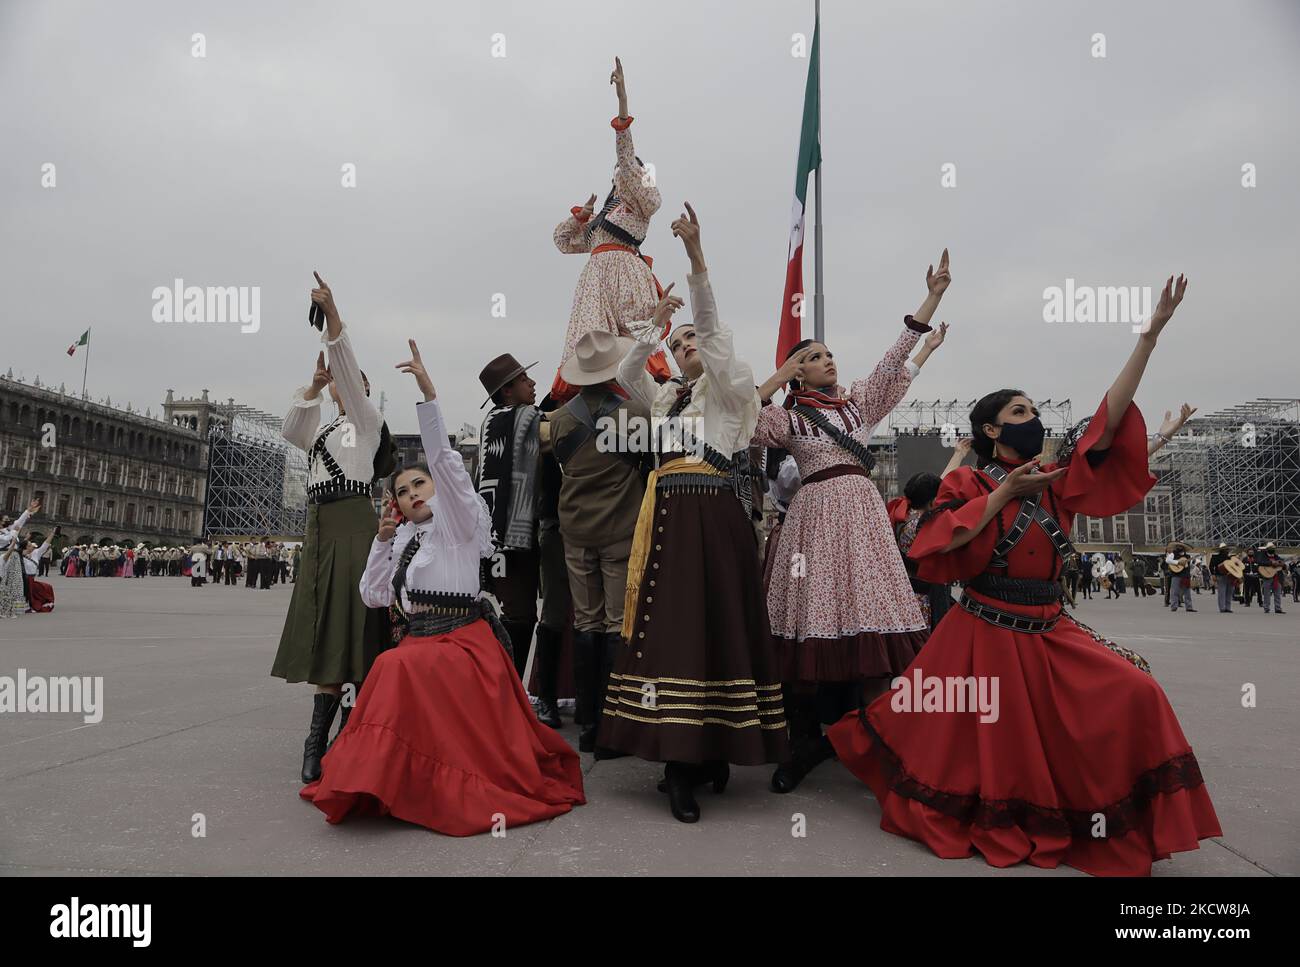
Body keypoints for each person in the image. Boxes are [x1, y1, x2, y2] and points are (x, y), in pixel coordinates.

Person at [827, 273, 1221, 876]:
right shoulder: (971, 481)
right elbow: (938, 538)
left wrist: (1148, 338)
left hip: (1050, 628)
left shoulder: (1057, 478)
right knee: (983, 745)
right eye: (1019, 411)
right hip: (985, 633)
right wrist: (1007, 488)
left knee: (1137, 691)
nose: (1032, 417)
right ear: (991, 430)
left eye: (1035, 410)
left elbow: (1105, 426)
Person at [301, 339, 585, 835]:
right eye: (404, 492)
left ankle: (402, 778)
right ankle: (374, 775)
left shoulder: (458, 525)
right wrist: (381, 543)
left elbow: (447, 464)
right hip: (420, 643)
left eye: (419, 485)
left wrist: (428, 394)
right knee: (393, 664)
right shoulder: (407, 540)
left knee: (393, 666)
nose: (412, 494)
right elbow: (373, 596)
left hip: (464, 644)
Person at [602, 202, 789, 823]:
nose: (686, 348)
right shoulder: (668, 401)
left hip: (713, 515)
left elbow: (712, 333)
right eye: (679, 345)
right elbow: (628, 375)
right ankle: (679, 761)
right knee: (671, 632)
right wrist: (654, 326)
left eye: (689, 343)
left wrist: (697, 261)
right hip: (666, 520)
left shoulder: (732, 394)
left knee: (714, 628)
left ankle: (706, 755)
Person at [750, 251, 950, 793]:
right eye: (815, 357)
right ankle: (804, 741)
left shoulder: (859, 407)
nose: (828, 360)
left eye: (829, 353)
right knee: (809, 621)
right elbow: (739, 418)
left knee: (870, 620)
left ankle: (877, 740)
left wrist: (930, 299)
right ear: (798, 371)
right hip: (813, 516)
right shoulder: (787, 415)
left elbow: (892, 365)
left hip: (861, 516)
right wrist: (780, 375)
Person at [272, 272, 396, 783]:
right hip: (320, 530)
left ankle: (350, 735)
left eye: (356, 385)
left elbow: (345, 363)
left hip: (352, 526)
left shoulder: (367, 426)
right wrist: (313, 387)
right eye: (346, 386)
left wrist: (334, 315)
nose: (348, 388)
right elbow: (291, 429)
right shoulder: (325, 426)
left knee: (355, 635)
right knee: (326, 631)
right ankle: (317, 738)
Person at [544, 329, 650, 752]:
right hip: (620, 526)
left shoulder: (561, 418)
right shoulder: (635, 412)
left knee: (585, 619)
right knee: (615, 622)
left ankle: (587, 723)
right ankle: (612, 721)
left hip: (574, 527)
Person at [550, 57, 672, 402]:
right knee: (592, 342)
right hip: (596, 276)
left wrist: (622, 105)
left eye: (630, 171)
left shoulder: (642, 204)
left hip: (624, 271)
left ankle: (643, 398)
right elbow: (562, 241)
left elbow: (625, 157)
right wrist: (579, 217)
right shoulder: (606, 216)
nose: (621, 174)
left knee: (632, 339)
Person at [1257, 542, 1287, 614]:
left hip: (1277, 577)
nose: (1272, 550)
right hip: (1267, 576)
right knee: (1266, 593)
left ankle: (1278, 608)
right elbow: (1260, 562)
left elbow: (1282, 564)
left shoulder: (1277, 556)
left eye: (1273, 549)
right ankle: (1266, 608)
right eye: (1270, 549)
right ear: (1267, 549)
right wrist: (1271, 563)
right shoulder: (1263, 556)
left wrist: (1283, 564)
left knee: (1278, 593)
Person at [1167, 543, 1196, 612]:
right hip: (1176, 575)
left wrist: (1191, 564)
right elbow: (1167, 560)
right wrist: (1178, 562)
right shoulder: (1173, 554)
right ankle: (1174, 606)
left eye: (1181, 546)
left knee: (1187, 592)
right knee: (1174, 591)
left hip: (1185, 576)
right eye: (1178, 546)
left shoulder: (1188, 556)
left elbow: (1191, 567)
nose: (1179, 547)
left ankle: (1189, 607)